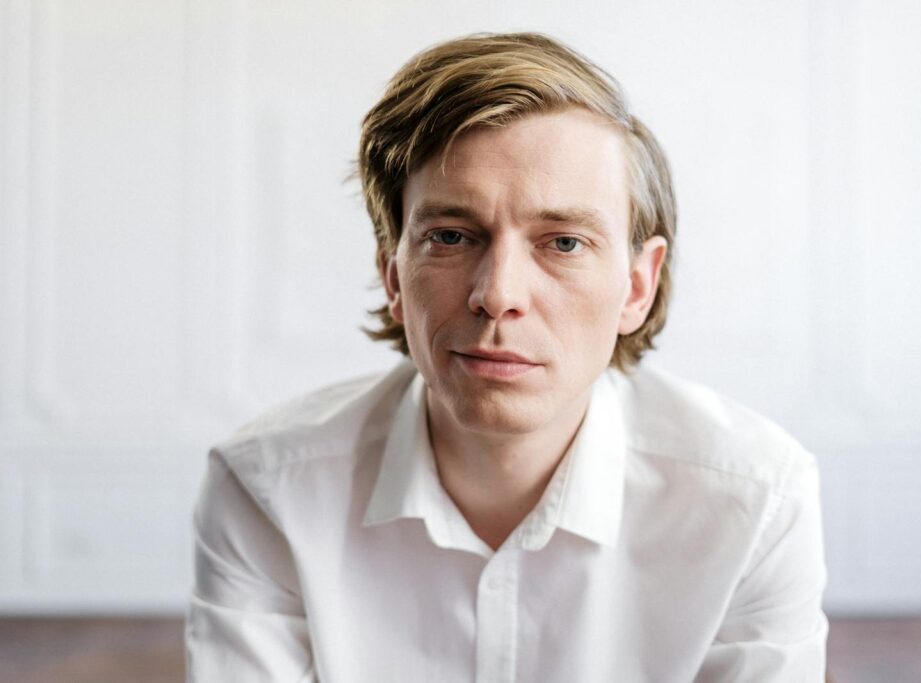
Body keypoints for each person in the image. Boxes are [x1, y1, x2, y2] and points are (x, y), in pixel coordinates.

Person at [186, 32, 828, 682]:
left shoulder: (755, 501)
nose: (497, 294)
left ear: (637, 286)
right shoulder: (268, 490)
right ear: (393, 276)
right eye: (451, 235)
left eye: (564, 242)